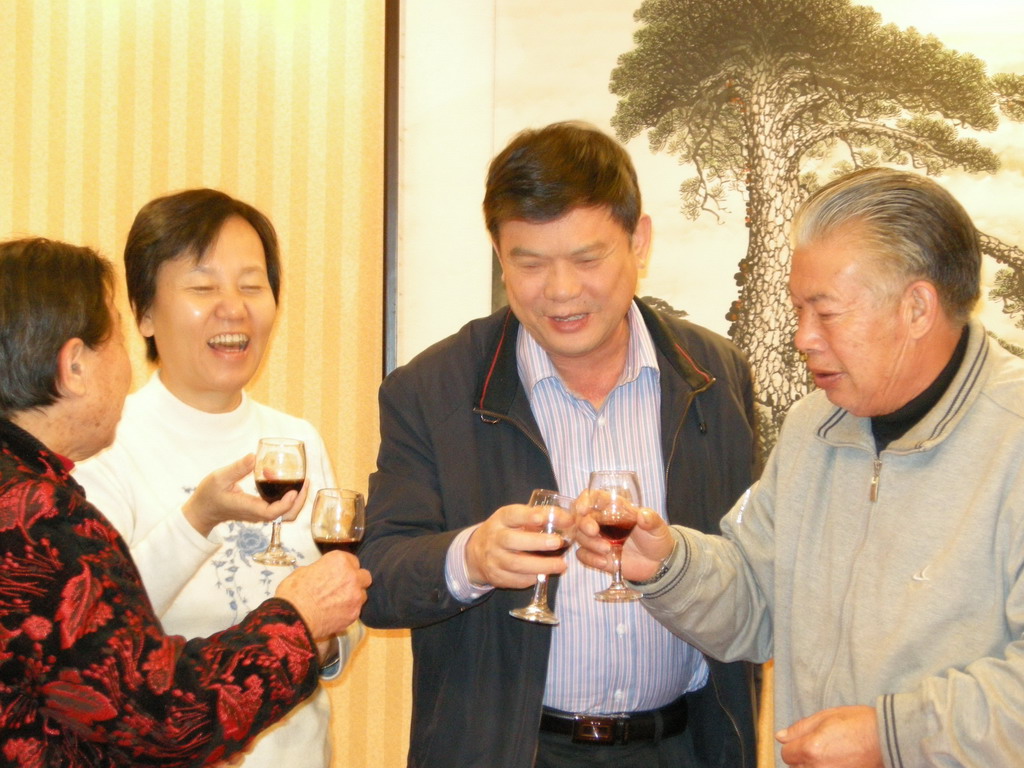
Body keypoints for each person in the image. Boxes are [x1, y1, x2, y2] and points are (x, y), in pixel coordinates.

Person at [576, 166, 1024, 767]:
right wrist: (667, 566)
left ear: (917, 307)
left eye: (826, 312)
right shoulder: (814, 427)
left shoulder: (1013, 437)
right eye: (797, 310)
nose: (802, 337)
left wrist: (891, 737)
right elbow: (757, 602)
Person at [359, 121, 759, 768]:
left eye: (587, 258)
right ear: (498, 254)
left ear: (640, 241)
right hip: (509, 752)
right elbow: (378, 580)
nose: (562, 291)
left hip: (682, 747)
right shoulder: (431, 391)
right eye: (531, 263)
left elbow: (753, 571)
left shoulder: (713, 376)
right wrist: (469, 559)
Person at [0, 237, 370, 766]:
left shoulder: (29, 490)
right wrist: (295, 618)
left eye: (251, 284)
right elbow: (166, 717)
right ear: (75, 365)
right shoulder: (37, 516)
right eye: (116, 342)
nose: (233, 306)